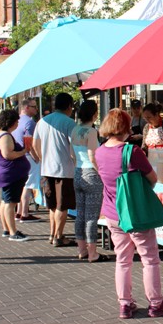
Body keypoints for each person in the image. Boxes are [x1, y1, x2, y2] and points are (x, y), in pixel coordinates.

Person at [95, 108, 163, 319]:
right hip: (136, 213)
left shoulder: (100, 151)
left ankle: (125, 303)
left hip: (112, 213)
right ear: (126, 127)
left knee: (122, 259)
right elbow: (152, 178)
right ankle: (156, 302)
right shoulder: (131, 152)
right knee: (149, 259)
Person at [33, 93, 77, 246]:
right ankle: (59, 236)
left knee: (51, 205)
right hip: (63, 170)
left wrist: (42, 158)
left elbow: (34, 144)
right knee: (62, 206)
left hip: (45, 169)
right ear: (69, 106)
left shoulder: (42, 121)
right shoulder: (70, 123)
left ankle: (52, 234)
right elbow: (74, 148)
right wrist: (76, 162)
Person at [72, 100, 108, 262]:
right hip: (91, 174)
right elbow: (93, 155)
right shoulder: (91, 132)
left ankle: (82, 250)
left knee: (80, 213)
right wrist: (101, 172)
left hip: (78, 172)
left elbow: (72, 155)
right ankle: (93, 252)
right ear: (94, 114)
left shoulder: (75, 129)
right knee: (92, 215)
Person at [0, 109, 31, 242]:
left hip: (7, 173)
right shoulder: (5, 136)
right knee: (10, 203)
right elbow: (7, 154)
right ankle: (13, 232)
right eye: (17, 121)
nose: (18, 123)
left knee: (5, 201)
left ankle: (7, 229)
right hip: (11, 174)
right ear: (11, 122)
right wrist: (23, 151)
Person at [12, 98, 41, 222]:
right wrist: (37, 158)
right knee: (28, 185)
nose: (36, 109)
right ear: (26, 108)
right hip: (28, 156)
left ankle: (19, 212)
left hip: (18, 156)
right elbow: (29, 143)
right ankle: (24, 212)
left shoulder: (16, 121)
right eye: (34, 107)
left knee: (23, 184)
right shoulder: (30, 122)